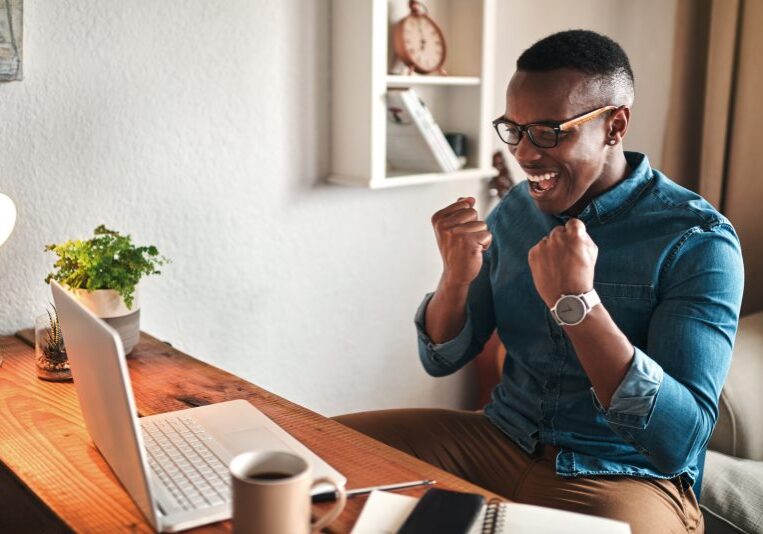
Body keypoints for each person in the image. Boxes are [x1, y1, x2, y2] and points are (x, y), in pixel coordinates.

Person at [334, 30, 745, 533]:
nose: (524, 154)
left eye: (550, 131)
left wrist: (579, 305)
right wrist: (456, 280)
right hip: (499, 438)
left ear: (614, 125)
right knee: (315, 451)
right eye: (516, 129)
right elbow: (441, 358)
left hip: (623, 475)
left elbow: (677, 440)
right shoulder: (515, 212)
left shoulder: (697, 241)